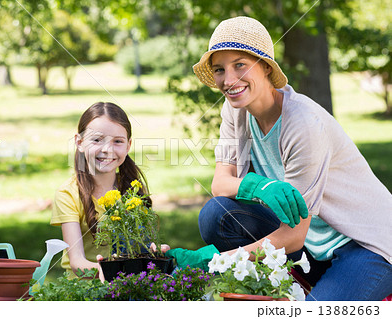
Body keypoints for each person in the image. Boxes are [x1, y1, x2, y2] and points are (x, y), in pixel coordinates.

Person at [165, 16, 392, 301]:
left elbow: (292, 235)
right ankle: (285, 283)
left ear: (265, 68)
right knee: (216, 215)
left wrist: (213, 261)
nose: (229, 80)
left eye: (240, 65)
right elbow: (221, 183)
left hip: (364, 244)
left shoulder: (303, 124)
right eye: (220, 69)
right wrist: (257, 186)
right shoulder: (235, 109)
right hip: (312, 245)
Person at [51, 102, 152, 281]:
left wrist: (153, 252)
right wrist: (106, 271)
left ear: (128, 146)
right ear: (79, 142)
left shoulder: (132, 190)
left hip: (127, 286)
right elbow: (76, 262)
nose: (107, 149)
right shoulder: (68, 194)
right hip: (85, 291)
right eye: (97, 140)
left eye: (118, 141)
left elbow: (138, 249)